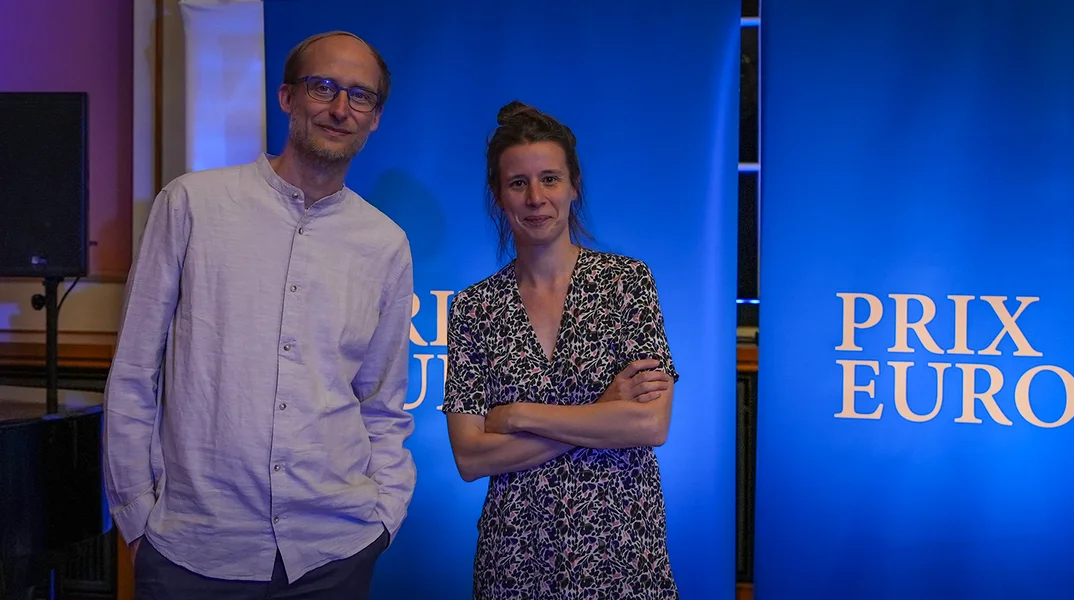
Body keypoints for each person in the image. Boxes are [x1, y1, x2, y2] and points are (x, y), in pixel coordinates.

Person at [103, 31, 415, 599]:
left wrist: (385, 515)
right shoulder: (192, 205)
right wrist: (136, 517)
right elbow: (133, 374)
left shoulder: (385, 244)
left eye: (360, 95)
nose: (340, 108)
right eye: (322, 87)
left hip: (333, 552)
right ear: (287, 97)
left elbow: (382, 403)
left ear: (374, 118)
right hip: (192, 551)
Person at [442, 100, 680, 599]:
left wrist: (520, 415)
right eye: (518, 183)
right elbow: (470, 457)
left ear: (574, 185)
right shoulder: (473, 308)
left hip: (622, 552)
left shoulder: (626, 283)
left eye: (549, 179)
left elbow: (649, 425)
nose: (536, 198)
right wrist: (601, 414)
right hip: (515, 558)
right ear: (498, 196)